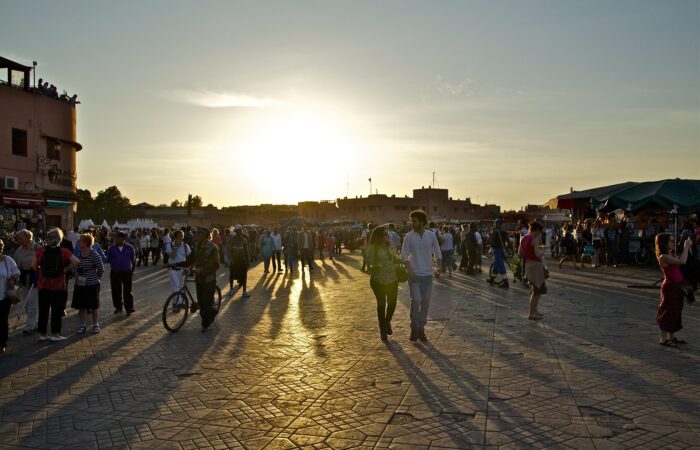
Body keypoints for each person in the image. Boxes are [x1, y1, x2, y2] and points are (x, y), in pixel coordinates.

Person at [401, 210, 442, 342]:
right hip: (414, 275)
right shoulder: (409, 236)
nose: (412, 224)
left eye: (414, 221)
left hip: (428, 275)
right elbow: (404, 255)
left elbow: (437, 252)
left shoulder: (431, 235)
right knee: (416, 300)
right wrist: (411, 272)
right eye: (411, 221)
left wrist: (439, 267)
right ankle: (414, 328)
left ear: (422, 222)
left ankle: (421, 329)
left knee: (425, 303)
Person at [34, 228, 79, 342]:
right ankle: (55, 334)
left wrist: (41, 272)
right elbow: (76, 261)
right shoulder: (64, 251)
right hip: (58, 285)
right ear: (59, 239)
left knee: (43, 310)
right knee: (56, 310)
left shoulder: (40, 250)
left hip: (43, 284)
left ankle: (42, 334)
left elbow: (33, 265)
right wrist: (65, 269)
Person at [656, 233, 693, 346]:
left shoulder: (670, 254)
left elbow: (683, 259)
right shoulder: (663, 257)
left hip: (677, 286)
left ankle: (671, 337)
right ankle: (663, 339)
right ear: (664, 243)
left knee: (675, 312)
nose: (674, 243)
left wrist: (687, 246)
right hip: (670, 287)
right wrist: (686, 246)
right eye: (671, 241)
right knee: (667, 312)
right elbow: (682, 261)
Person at [366, 227, 399, 340]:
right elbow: (369, 264)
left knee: (392, 303)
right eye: (385, 234)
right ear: (379, 236)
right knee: (381, 304)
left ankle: (387, 322)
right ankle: (382, 329)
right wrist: (378, 265)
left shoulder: (390, 246)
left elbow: (396, 257)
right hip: (378, 281)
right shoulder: (372, 249)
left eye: (387, 234)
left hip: (393, 279)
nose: (387, 236)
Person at [72, 234, 105, 334]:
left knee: (94, 305)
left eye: (81, 241)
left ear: (86, 243)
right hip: (80, 283)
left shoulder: (94, 254)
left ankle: (95, 324)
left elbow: (101, 269)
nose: (79, 242)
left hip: (92, 284)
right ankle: (82, 325)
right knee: (81, 306)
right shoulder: (79, 253)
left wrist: (96, 279)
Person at [13, 229, 39, 335]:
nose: (19, 241)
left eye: (21, 238)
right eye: (18, 239)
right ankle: (34, 322)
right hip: (23, 278)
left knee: (32, 302)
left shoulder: (37, 248)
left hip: (34, 277)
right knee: (27, 303)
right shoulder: (19, 250)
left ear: (28, 237)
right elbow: (15, 263)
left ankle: (29, 326)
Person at [194, 227, 220, 332]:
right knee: (201, 302)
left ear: (205, 236)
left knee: (206, 302)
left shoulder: (213, 248)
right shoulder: (197, 246)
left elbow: (215, 265)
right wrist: (174, 264)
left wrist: (203, 269)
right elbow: (190, 259)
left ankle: (205, 324)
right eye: (197, 234)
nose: (198, 236)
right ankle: (212, 313)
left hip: (209, 279)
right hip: (199, 279)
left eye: (200, 234)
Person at [519, 222, 547, 320]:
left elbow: (520, 252)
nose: (540, 234)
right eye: (539, 232)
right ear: (537, 230)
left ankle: (534, 311)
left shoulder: (523, 238)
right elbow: (538, 254)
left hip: (528, 265)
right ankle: (532, 313)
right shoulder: (534, 239)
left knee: (533, 290)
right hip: (535, 266)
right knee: (537, 291)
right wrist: (543, 250)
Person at [107, 231, 136, 315]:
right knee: (116, 290)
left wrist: (128, 266)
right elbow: (109, 259)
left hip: (126, 271)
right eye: (115, 238)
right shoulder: (112, 248)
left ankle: (129, 308)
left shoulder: (130, 247)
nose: (116, 239)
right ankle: (118, 307)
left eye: (118, 238)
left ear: (123, 239)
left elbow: (133, 258)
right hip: (115, 271)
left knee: (128, 290)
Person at [0, 239, 21, 353]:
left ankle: (2, 342)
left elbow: (17, 272)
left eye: (1, 247)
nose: (0, 249)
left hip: (4, 295)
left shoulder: (8, 260)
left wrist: (12, 279)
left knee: (2, 320)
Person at [228, 225, 250, 297]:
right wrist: (230, 259)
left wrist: (248, 261)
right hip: (234, 261)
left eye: (240, 231)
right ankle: (231, 289)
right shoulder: (231, 240)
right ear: (236, 232)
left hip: (242, 261)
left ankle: (244, 291)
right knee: (232, 275)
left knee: (244, 276)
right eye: (238, 231)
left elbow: (246, 252)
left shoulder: (244, 240)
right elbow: (229, 251)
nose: (240, 232)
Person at [487, 219, 511, 288]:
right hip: (502, 250)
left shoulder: (495, 232)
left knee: (500, 265)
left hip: (497, 250)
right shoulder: (504, 232)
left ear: (497, 224)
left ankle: (506, 282)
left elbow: (492, 242)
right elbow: (508, 242)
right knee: (496, 265)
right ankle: (492, 279)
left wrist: (491, 248)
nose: (494, 224)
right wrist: (506, 248)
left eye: (495, 223)